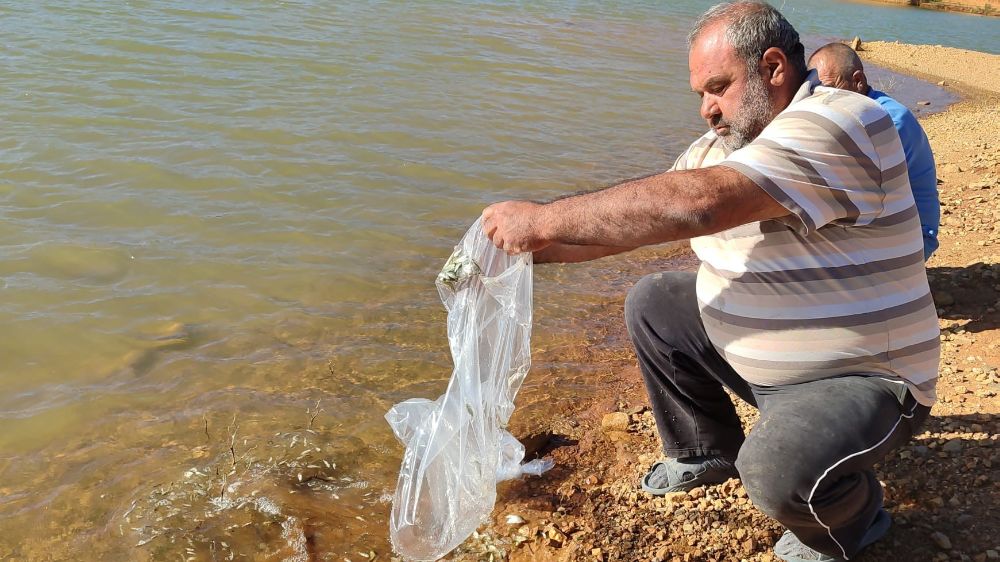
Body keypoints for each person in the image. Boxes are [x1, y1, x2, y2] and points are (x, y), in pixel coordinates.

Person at [480, 2, 939, 562]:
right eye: (699, 93)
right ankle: (705, 450)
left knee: (775, 471)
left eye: (718, 87)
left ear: (773, 67)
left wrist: (541, 218)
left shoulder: (843, 121)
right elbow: (624, 230)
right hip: (767, 371)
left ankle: (854, 518)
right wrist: (518, 256)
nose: (706, 109)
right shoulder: (726, 147)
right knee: (655, 300)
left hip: (868, 379)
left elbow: (697, 205)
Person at [809, 42, 940, 261]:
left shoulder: (888, 122)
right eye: (814, 93)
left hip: (915, 237)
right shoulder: (859, 112)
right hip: (892, 223)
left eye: (829, 90)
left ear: (858, 81)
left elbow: (842, 189)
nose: (821, 101)